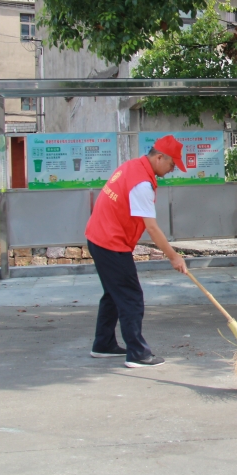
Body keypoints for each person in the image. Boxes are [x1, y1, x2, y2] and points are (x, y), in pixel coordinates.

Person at [85, 135, 189, 367]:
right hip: (110, 243)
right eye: (172, 164)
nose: (173, 170)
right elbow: (151, 228)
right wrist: (174, 257)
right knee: (131, 297)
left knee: (113, 294)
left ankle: (103, 344)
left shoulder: (132, 166)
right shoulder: (142, 183)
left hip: (99, 237)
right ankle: (137, 354)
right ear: (159, 157)